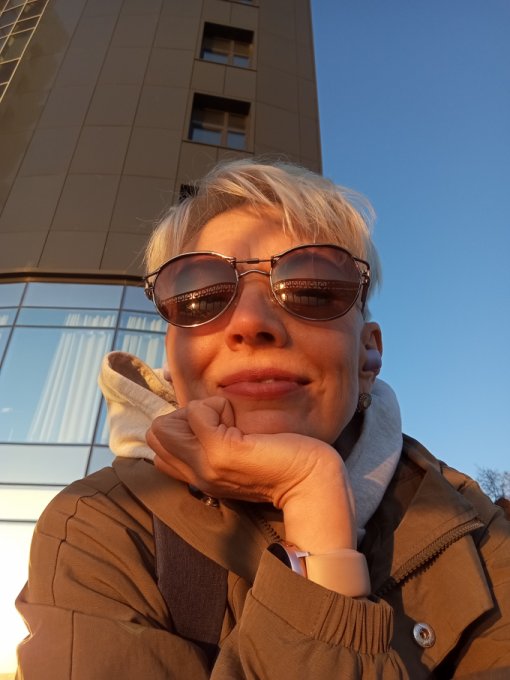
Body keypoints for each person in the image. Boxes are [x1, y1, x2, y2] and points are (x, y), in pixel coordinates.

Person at [16, 159, 510, 678]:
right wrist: (314, 504)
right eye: (201, 296)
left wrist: (315, 498)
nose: (251, 322)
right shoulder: (98, 524)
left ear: (368, 355)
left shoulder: (479, 531)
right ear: (175, 362)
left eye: (313, 288)